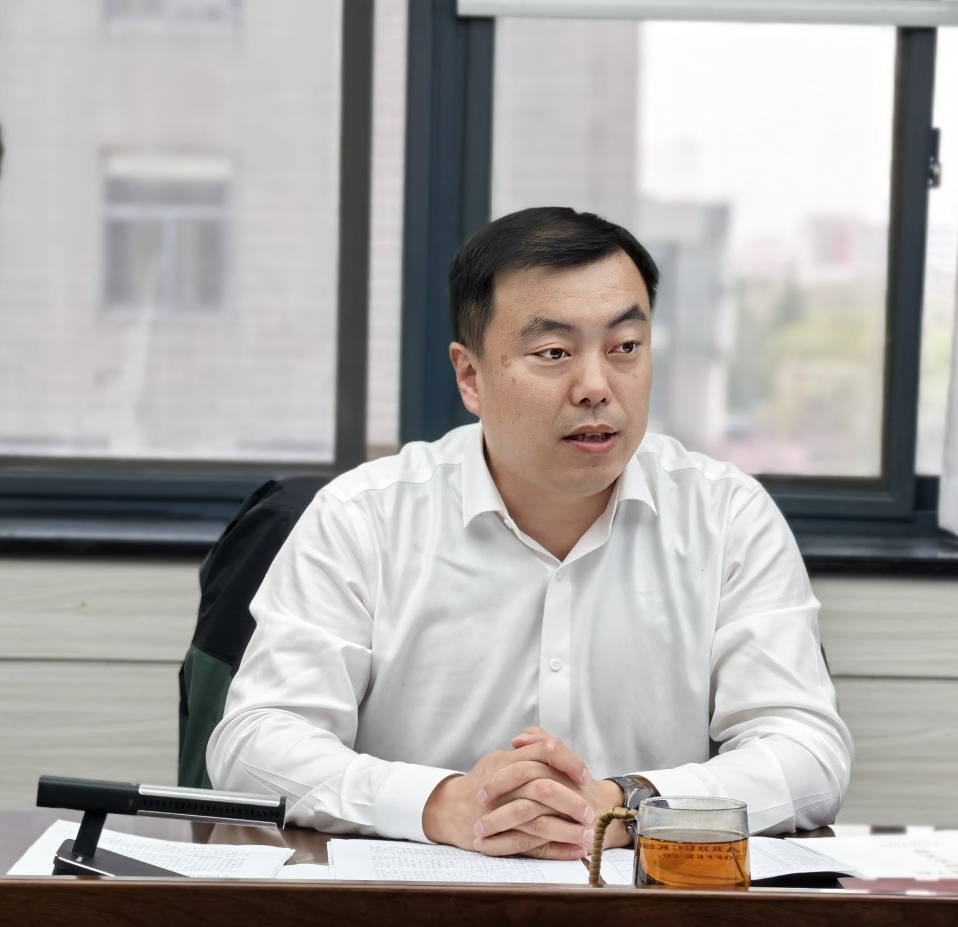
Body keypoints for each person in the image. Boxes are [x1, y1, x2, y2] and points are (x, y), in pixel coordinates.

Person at [207, 206, 852, 860]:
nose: (596, 387)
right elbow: (255, 743)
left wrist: (625, 805)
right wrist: (441, 804)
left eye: (626, 347)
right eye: (554, 353)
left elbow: (808, 751)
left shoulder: (728, 516)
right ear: (471, 377)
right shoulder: (362, 518)